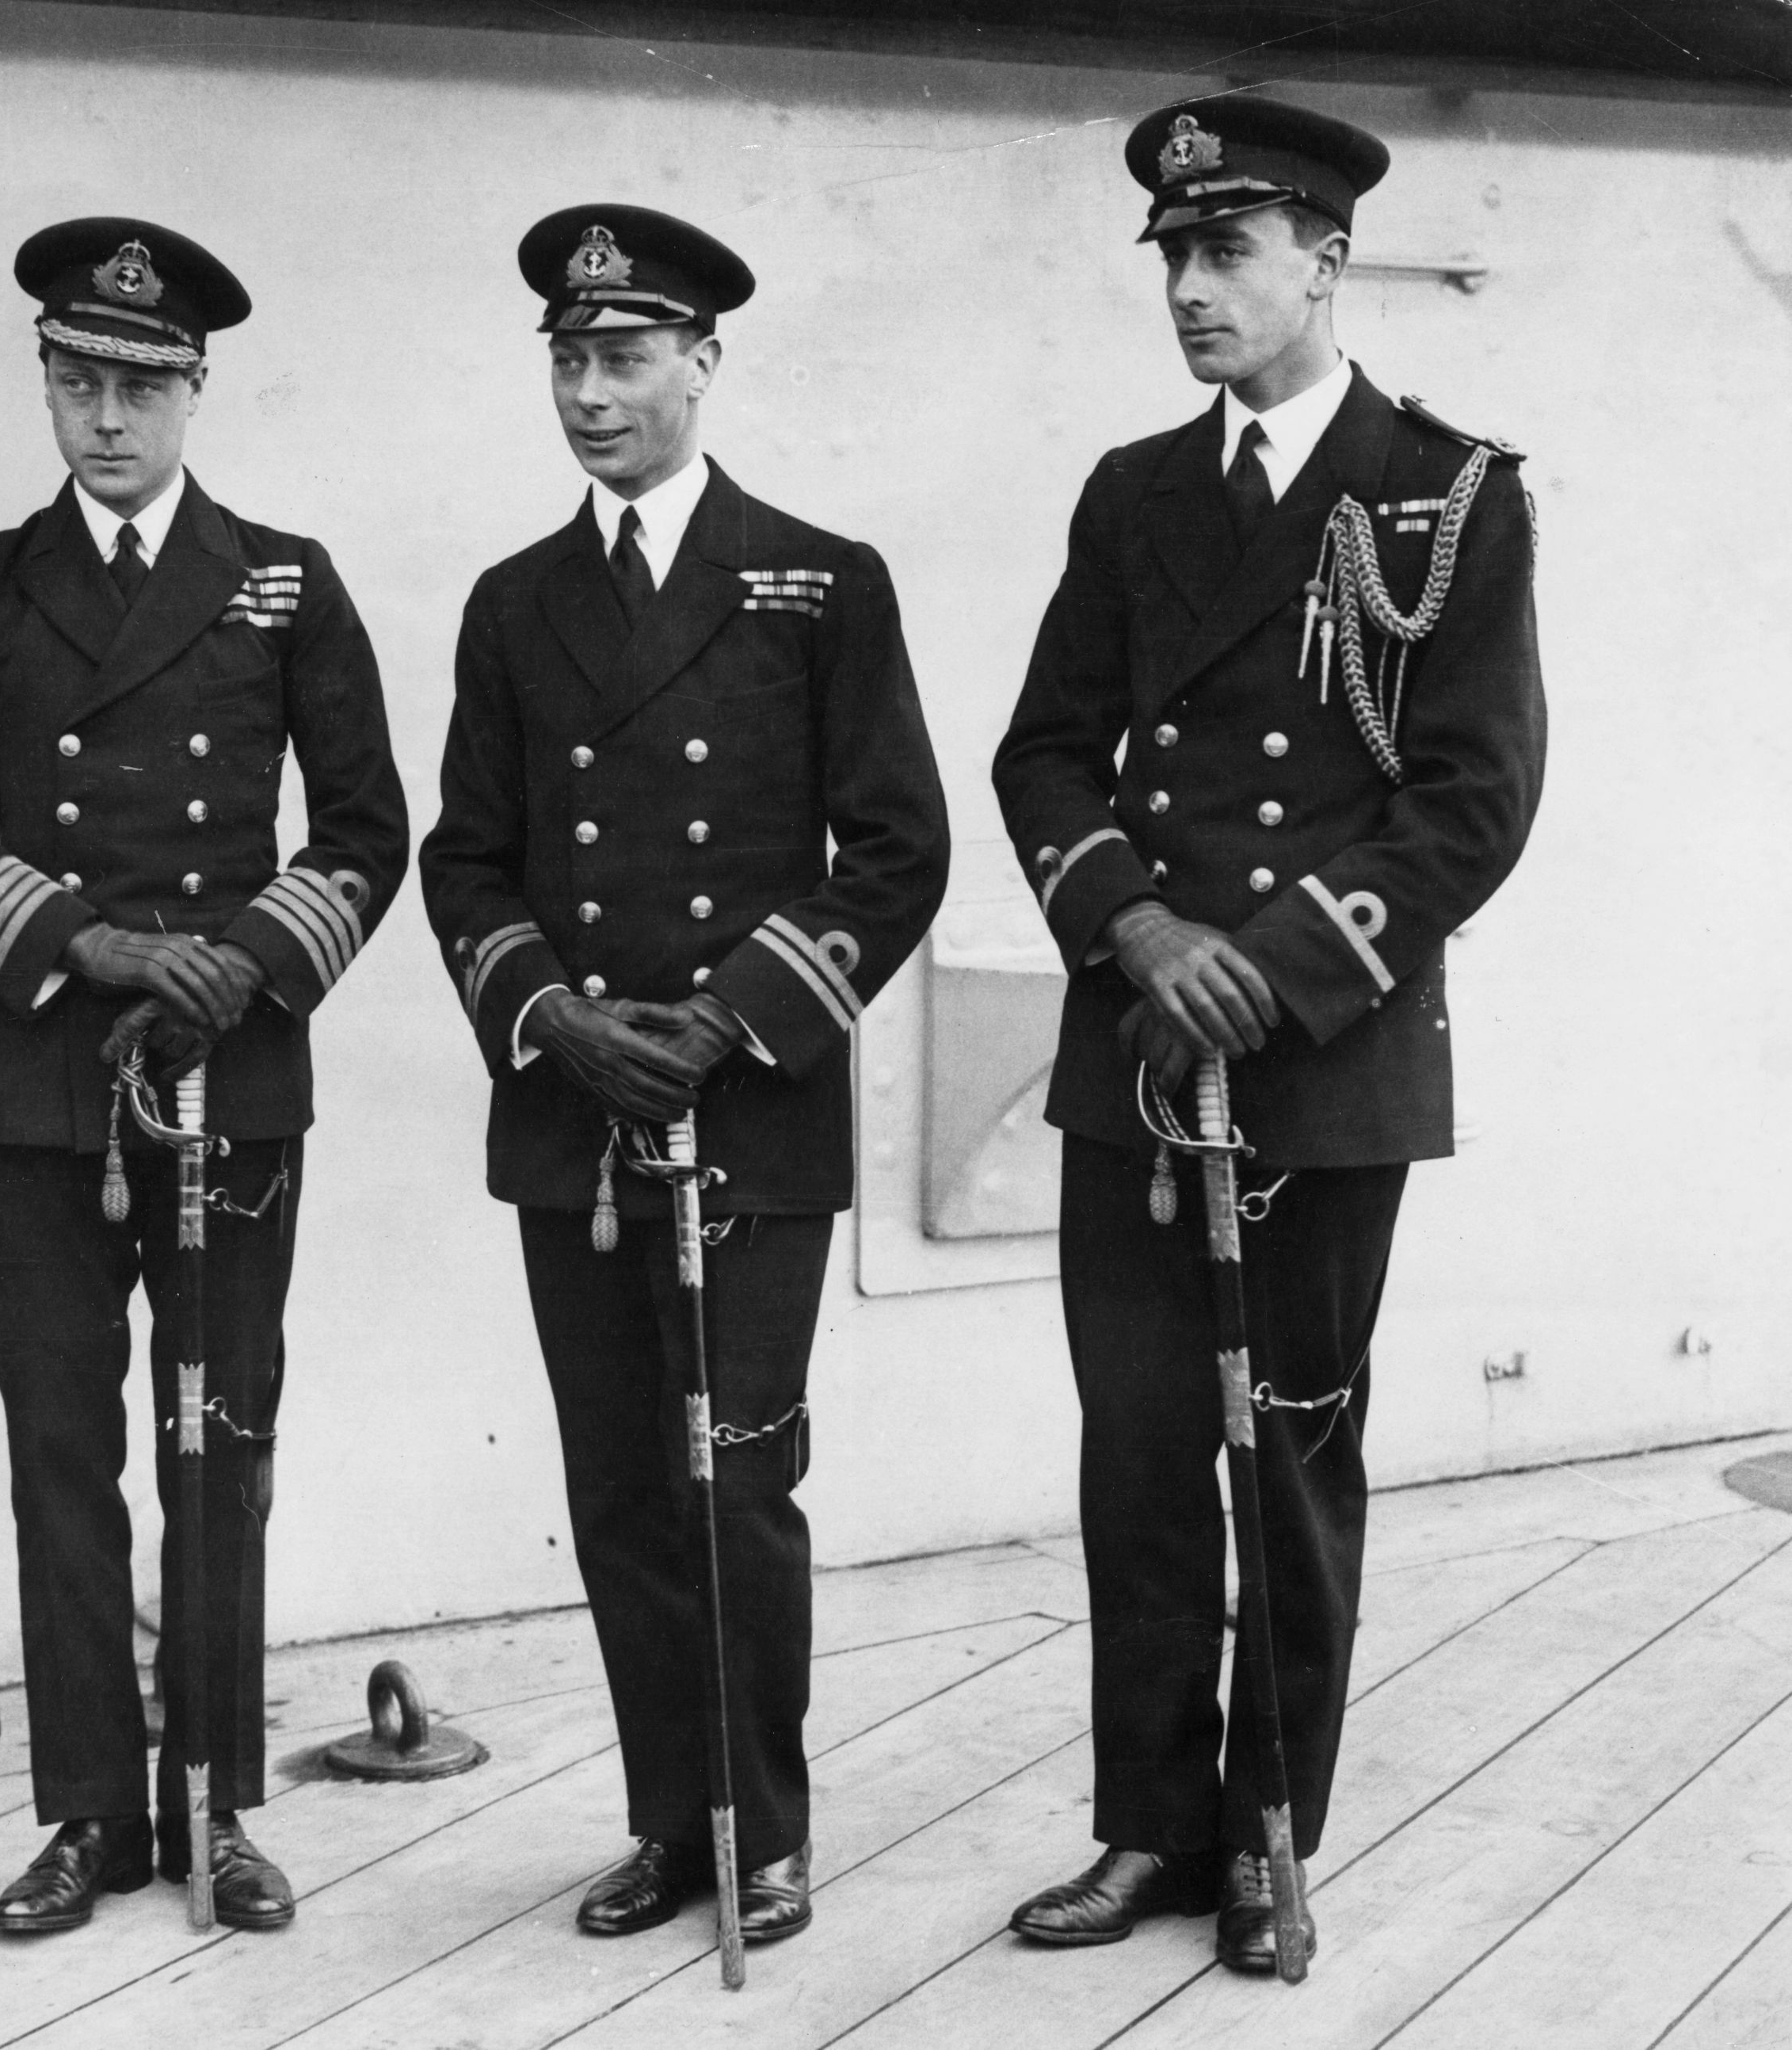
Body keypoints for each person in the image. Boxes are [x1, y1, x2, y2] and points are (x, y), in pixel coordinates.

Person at [993, 98, 1545, 1974]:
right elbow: (1044, 751)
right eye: (1173, 258)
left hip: (1327, 1051)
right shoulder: (1132, 492)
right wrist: (1140, 927)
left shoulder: (1450, 494)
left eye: (1229, 253)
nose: (1193, 292)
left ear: (1327, 260)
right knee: (1139, 1453)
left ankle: (1267, 1837)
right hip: (1141, 1046)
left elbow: (1474, 796)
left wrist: (1286, 959)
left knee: (1287, 1452)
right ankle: (1147, 1827)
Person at [418, 205, 948, 1948]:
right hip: (575, 1111)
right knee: (620, 1485)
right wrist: (553, 1015)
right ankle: (668, 1822)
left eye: (626, 356)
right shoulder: (516, 604)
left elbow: (894, 850)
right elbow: (466, 859)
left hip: (750, 1108)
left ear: (702, 365)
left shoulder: (819, 578)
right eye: (568, 358)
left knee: (734, 1472)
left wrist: (726, 1020)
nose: (591, 391)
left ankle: (763, 1827)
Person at [0, 217, 406, 1937]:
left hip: (230, 1073)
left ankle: (219, 1802)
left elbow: (369, 826)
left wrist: (237, 961)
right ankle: (93, 1809)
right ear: (44, 381)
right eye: (77, 382)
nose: (106, 420)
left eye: (141, 387)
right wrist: (93, 949)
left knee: (219, 1440)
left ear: (196, 391)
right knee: (60, 1446)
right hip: (46, 1069)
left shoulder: (285, 579)